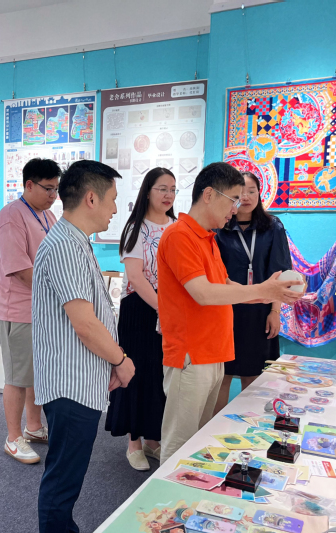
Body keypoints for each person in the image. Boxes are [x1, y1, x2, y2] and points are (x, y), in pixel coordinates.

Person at [156, 162, 304, 465]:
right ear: (209, 195)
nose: (236, 208)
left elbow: (224, 284)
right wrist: (263, 290)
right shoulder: (179, 235)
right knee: (179, 444)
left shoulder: (207, 238)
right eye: (233, 199)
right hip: (191, 354)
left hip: (213, 353)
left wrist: (269, 293)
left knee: (200, 440)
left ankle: (191, 490)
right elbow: (204, 293)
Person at [33, 160, 136, 533]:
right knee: (63, 479)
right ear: (91, 198)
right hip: (69, 386)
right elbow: (85, 324)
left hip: (80, 381)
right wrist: (120, 360)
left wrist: (108, 364)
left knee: (68, 475)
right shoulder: (64, 246)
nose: (115, 209)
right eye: (112, 199)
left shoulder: (75, 242)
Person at [105, 167, 176, 471]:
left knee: (160, 376)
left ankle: (153, 439)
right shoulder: (136, 228)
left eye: (173, 189)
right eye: (162, 189)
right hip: (140, 308)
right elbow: (135, 276)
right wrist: (163, 308)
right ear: (148, 191)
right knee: (136, 374)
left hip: (169, 308)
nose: (169, 195)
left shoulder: (176, 226)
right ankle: (133, 442)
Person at [0, 158, 60, 464]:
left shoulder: (47, 214)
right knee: (17, 377)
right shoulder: (11, 216)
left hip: (41, 310)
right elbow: (20, 268)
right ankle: (13, 437)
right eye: (48, 189)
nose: (53, 195)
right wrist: (58, 289)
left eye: (56, 189)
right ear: (29, 185)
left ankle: (33, 427)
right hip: (18, 310)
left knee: (36, 374)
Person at [213, 171, 293, 414]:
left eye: (251, 191)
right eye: (240, 193)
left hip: (260, 312)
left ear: (260, 193)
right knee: (222, 375)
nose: (246, 197)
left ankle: (248, 427)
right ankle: (212, 430)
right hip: (225, 309)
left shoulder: (273, 226)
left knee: (254, 375)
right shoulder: (220, 227)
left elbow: (281, 272)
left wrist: (275, 312)